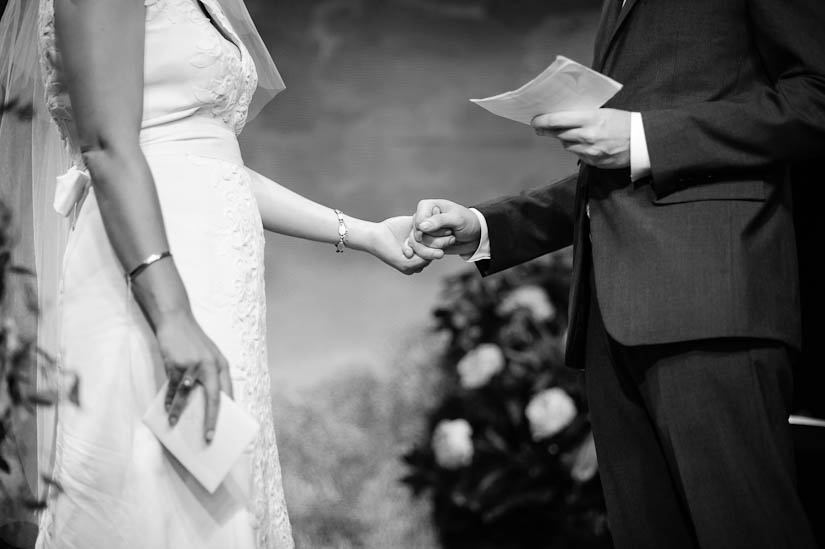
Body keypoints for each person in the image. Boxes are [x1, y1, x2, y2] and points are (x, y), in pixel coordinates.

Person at [0, 0, 429, 547]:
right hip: (149, 280)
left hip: (213, 283)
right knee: (155, 502)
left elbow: (209, 162)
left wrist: (362, 232)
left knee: (217, 501)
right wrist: (173, 316)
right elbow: (108, 149)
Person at [405, 0, 825, 547]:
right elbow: (616, 176)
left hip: (712, 302)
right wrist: (488, 225)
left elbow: (816, 97)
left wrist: (647, 137)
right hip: (612, 322)